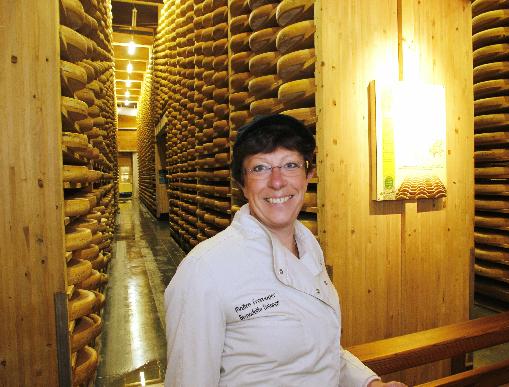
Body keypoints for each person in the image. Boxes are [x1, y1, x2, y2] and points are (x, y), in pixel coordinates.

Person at [165, 114, 405, 387]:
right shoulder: (204, 270)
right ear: (242, 184)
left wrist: (368, 383)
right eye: (260, 168)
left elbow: (322, 349)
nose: (277, 181)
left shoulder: (309, 247)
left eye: (290, 165)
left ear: (307, 175)